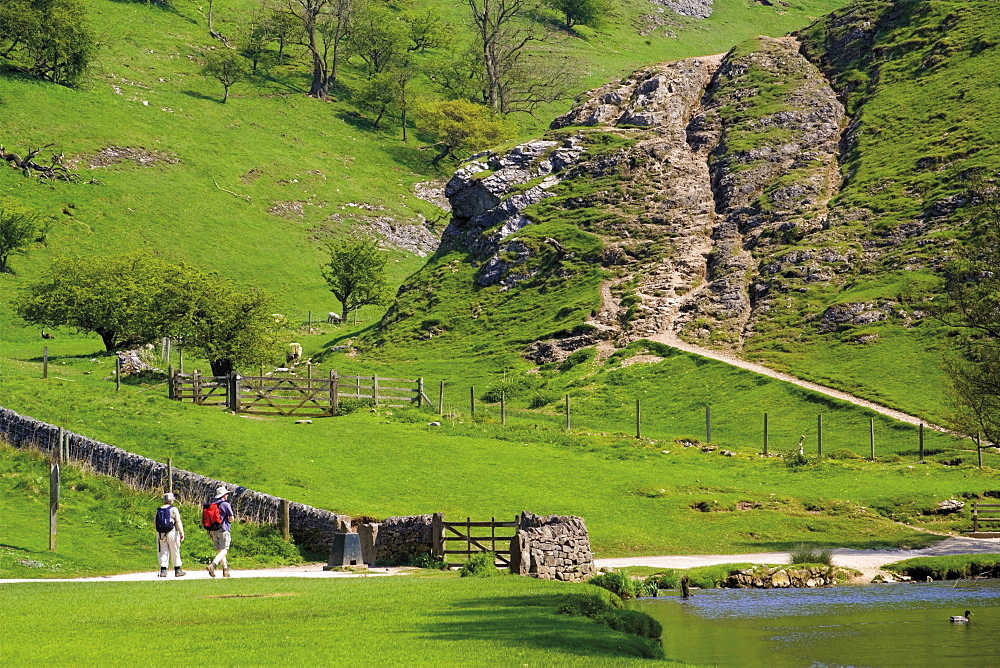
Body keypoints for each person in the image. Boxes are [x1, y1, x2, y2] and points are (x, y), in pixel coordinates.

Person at [207, 486, 236, 578]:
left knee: (220, 550)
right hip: (223, 529)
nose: (227, 495)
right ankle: (213, 565)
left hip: (213, 530)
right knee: (224, 550)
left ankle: (225, 569)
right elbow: (232, 519)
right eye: (226, 494)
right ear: (223, 495)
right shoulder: (225, 504)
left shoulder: (212, 504)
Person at [156, 492, 186, 577]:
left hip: (160, 533)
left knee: (163, 551)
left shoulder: (158, 510)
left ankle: (163, 570)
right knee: (175, 550)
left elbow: (155, 523)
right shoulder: (173, 509)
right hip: (172, 532)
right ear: (171, 500)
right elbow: (178, 521)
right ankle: (177, 570)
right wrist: (181, 532)